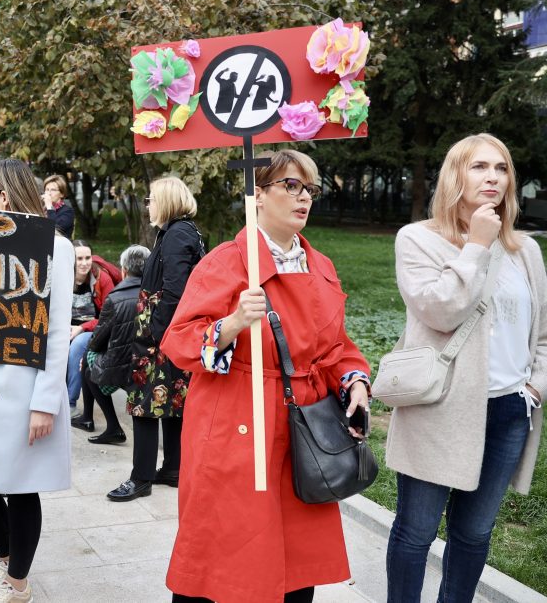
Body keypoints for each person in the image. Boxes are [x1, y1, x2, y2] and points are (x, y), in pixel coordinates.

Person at [159, 150, 370, 602]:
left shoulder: (322, 266)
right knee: (225, 550)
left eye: (309, 188)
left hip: (303, 429)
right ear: (257, 195)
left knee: (295, 557)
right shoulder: (224, 262)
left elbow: (336, 348)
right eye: (290, 186)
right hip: (237, 420)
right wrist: (230, 324)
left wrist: (354, 380)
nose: (303, 198)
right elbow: (177, 342)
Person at [384, 134, 546, 602]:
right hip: (440, 410)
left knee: (474, 534)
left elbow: (543, 335)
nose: (493, 177)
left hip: (509, 411)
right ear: (455, 175)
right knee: (416, 531)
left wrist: (533, 388)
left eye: (501, 168)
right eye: (478, 167)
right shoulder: (418, 239)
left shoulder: (526, 252)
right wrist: (475, 245)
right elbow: (440, 311)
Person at [0, 158, 73, 603]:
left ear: (5, 196)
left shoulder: (54, 247)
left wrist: (45, 402)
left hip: (25, 386)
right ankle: (9, 561)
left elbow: (58, 329)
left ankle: (17, 584)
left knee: (21, 486)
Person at [106, 177, 205, 502]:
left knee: (145, 406)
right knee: (172, 401)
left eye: (151, 199)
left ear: (166, 200)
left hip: (160, 333)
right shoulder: (180, 231)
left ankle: (141, 477)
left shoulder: (177, 234)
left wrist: (160, 334)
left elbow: (176, 290)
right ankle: (173, 468)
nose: (148, 204)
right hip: (165, 330)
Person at [82, 244, 151, 445]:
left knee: (88, 364)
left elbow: (97, 340)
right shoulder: (157, 294)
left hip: (123, 368)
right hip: (151, 363)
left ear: (124, 270)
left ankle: (112, 426)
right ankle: (94, 420)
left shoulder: (115, 298)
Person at [67, 240, 115, 425]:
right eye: (79, 258)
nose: (84, 263)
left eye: (87, 258)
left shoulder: (102, 279)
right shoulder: (62, 276)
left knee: (78, 346)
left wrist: (82, 328)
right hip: (66, 326)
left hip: (93, 329)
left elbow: (109, 317)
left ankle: (70, 403)